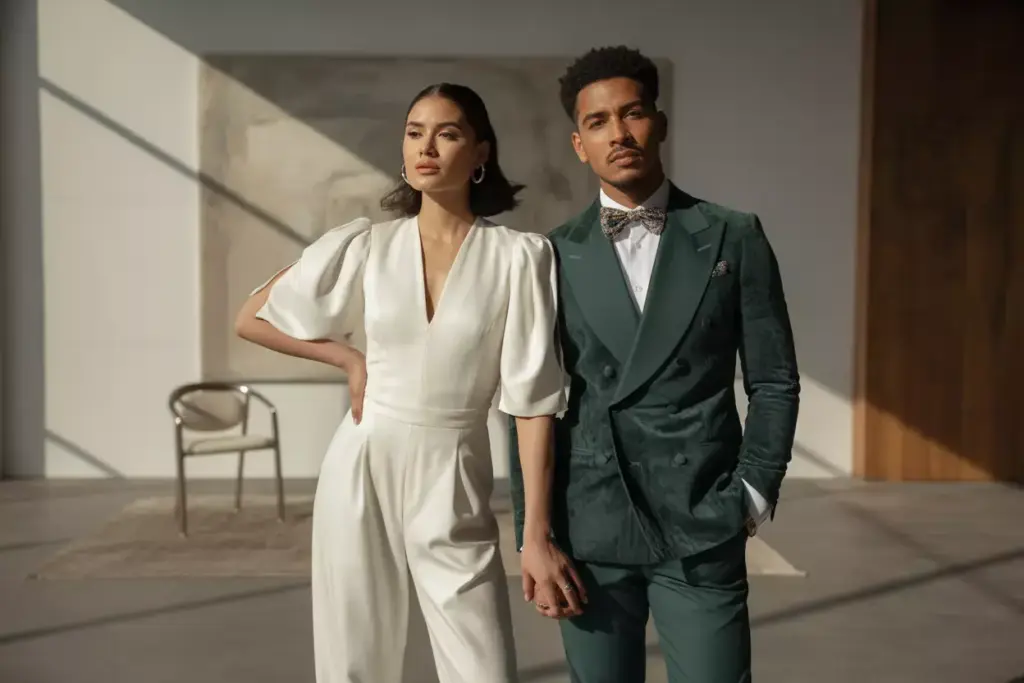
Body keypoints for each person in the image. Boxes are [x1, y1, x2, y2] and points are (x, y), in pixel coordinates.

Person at [235, 82, 585, 683]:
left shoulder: (519, 257)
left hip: (455, 468)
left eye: (446, 134)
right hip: (362, 459)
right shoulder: (367, 244)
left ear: (480, 152)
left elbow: (532, 403)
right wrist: (348, 359)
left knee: (482, 669)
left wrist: (534, 535)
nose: (426, 147)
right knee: (354, 662)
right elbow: (252, 318)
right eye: (414, 133)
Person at [508, 46, 801, 682]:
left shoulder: (733, 235)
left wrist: (753, 492)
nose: (618, 133)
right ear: (579, 145)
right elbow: (529, 401)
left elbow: (774, 379)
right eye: (598, 122)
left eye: (633, 113)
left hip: (702, 519)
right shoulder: (550, 254)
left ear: (659, 123)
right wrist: (533, 536)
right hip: (590, 528)